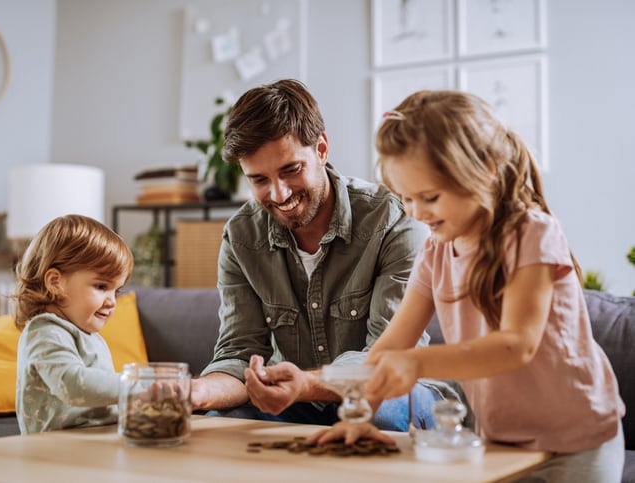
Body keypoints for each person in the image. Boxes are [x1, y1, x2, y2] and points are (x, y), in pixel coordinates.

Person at [309, 90, 625, 482]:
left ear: (484, 169)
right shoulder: (434, 253)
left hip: (579, 440)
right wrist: (360, 414)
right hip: (500, 441)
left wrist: (418, 363)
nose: (416, 212)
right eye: (406, 198)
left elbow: (517, 344)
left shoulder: (531, 233)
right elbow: (391, 347)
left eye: (430, 197)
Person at [192, 79, 457, 431]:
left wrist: (303, 384)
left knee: (380, 411)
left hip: (390, 390)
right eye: (259, 180)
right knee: (216, 424)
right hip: (295, 399)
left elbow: (388, 357)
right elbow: (238, 354)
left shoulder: (394, 221)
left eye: (291, 170)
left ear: (321, 148)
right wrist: (195, 392)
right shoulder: (242, 237)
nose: (279, 193)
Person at [14, 214, 134, 434]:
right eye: (101, 286)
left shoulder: (90, 336)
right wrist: (138, 386)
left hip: (94, 440)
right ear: (55, 282)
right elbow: (73, 384)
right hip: (55, 450)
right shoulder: (44, 331)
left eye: (116, 291)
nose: (112, 301)